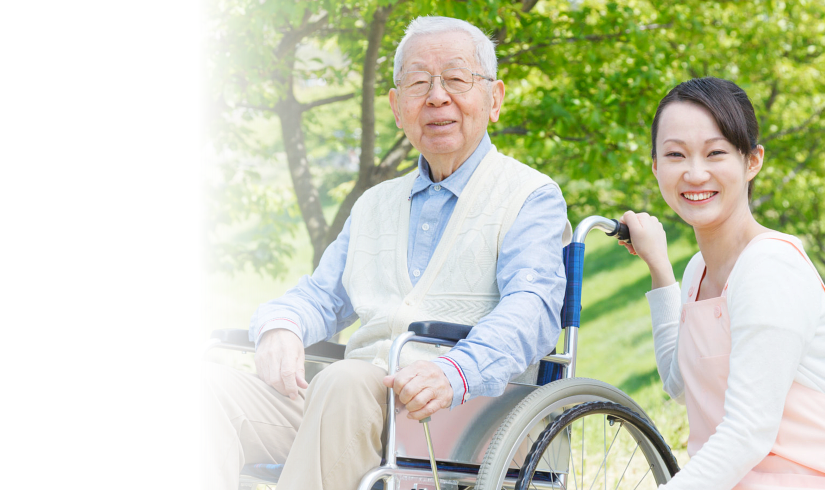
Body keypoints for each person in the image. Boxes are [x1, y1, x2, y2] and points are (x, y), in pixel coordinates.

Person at [200, 16, 572, 490]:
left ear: (494, 98)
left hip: (457, 415)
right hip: (346, 410)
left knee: (345, 380)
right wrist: (280, 326)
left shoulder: (530, 195)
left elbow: (533, 309)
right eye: (418, 83)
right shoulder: (374, 203)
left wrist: (455, 370)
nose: (437, 96)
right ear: (398, 107)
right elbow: (321, 296)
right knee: (207, 386)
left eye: (456, 79)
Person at [620, 77, 825, 489]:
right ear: (657, 167)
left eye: (715, 153)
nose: (695, 173)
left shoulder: (769, 268)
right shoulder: (699, 268)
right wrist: (661, 268)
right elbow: (681, 386)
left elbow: (748, 433)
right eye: (675, 155)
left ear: (752, 161)